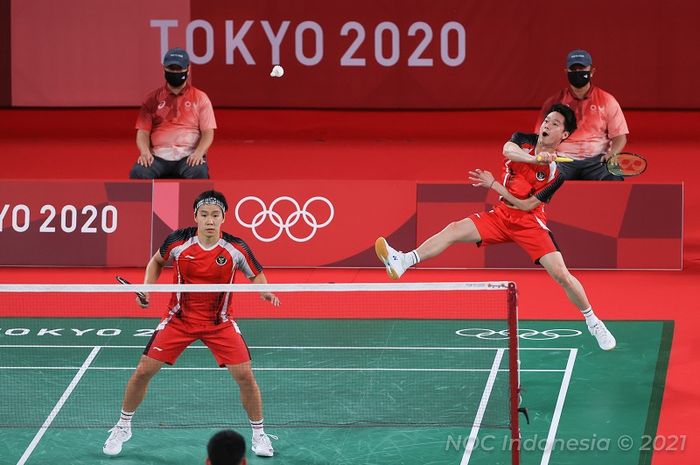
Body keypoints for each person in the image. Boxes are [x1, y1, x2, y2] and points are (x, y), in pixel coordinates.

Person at [376, 103, 616, 351]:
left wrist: (494, 185)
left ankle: (593, 321)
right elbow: (509, 151)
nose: (547, 125)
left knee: (562, 275)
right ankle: (403, 261)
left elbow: (526, 206)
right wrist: (535, 158)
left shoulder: (558, 172)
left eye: (555, 124)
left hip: (530, 223)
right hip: (501, 216)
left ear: (564, 135)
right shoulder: (523, 140)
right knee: (454, 228)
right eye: (547, 120)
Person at [103, 190, 279, 457]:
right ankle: (123, 426)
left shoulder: (236, 247)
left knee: (245, 376)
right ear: (196, 216)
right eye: (205, 215)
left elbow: (256, 274)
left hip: (219, 322)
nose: (210, 220)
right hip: (179, 320)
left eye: (215, 215)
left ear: (223, 218)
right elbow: (157, 261)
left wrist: (264, 291)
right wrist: (147, 289)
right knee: (142, 371)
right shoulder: (178, 242)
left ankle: (259, 435)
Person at [536, 49, 629, 180]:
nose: (577, 73)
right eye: (573, 70)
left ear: (592, 71)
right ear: (566, 72)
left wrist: (612, 154)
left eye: (582, 68)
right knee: (541, 179)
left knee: (614, 177)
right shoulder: (553, 102)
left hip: (598, 161)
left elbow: (620, 137)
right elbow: (540, 136)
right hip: (561, 159)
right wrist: (543, 154)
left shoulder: (607, 100)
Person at [129, 47, 216, 179]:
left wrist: (199, 153)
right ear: (163, 68)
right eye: (171, 69)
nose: (175, 72)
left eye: (179, 69)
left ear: (188, 68)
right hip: (157, 157)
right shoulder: (152, 99)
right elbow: (142, 132)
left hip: (188, 157)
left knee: (199, 172)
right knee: (138, 172)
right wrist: (145, 151)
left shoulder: (200, 98)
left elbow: (208, 133)